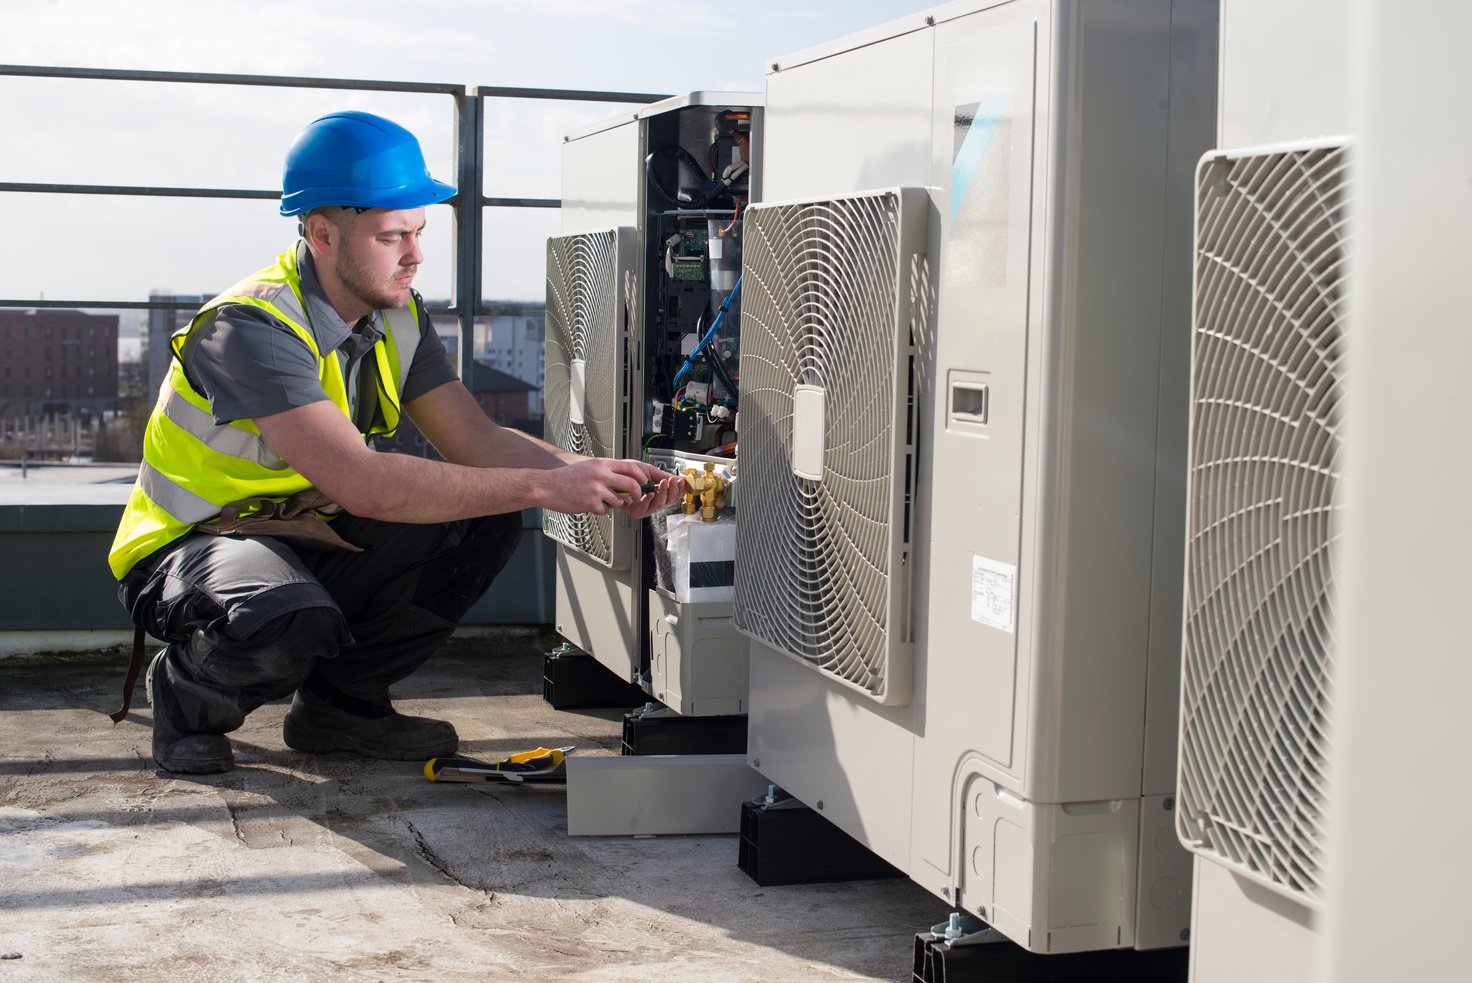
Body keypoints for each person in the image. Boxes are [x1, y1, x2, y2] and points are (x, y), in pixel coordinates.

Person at [108, 110, 683, 775]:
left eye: (418, 232)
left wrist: (598, 475)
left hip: (305, 532)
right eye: (391, 236)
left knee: (483, 517)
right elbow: (363, 483)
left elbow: (475, 437)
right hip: (194, 545)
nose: (414, 255)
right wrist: (548, 484)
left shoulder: (397, 315)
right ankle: (187, 697)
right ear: (322, 234)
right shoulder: (251, 328)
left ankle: (341, 706)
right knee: (286, 617)